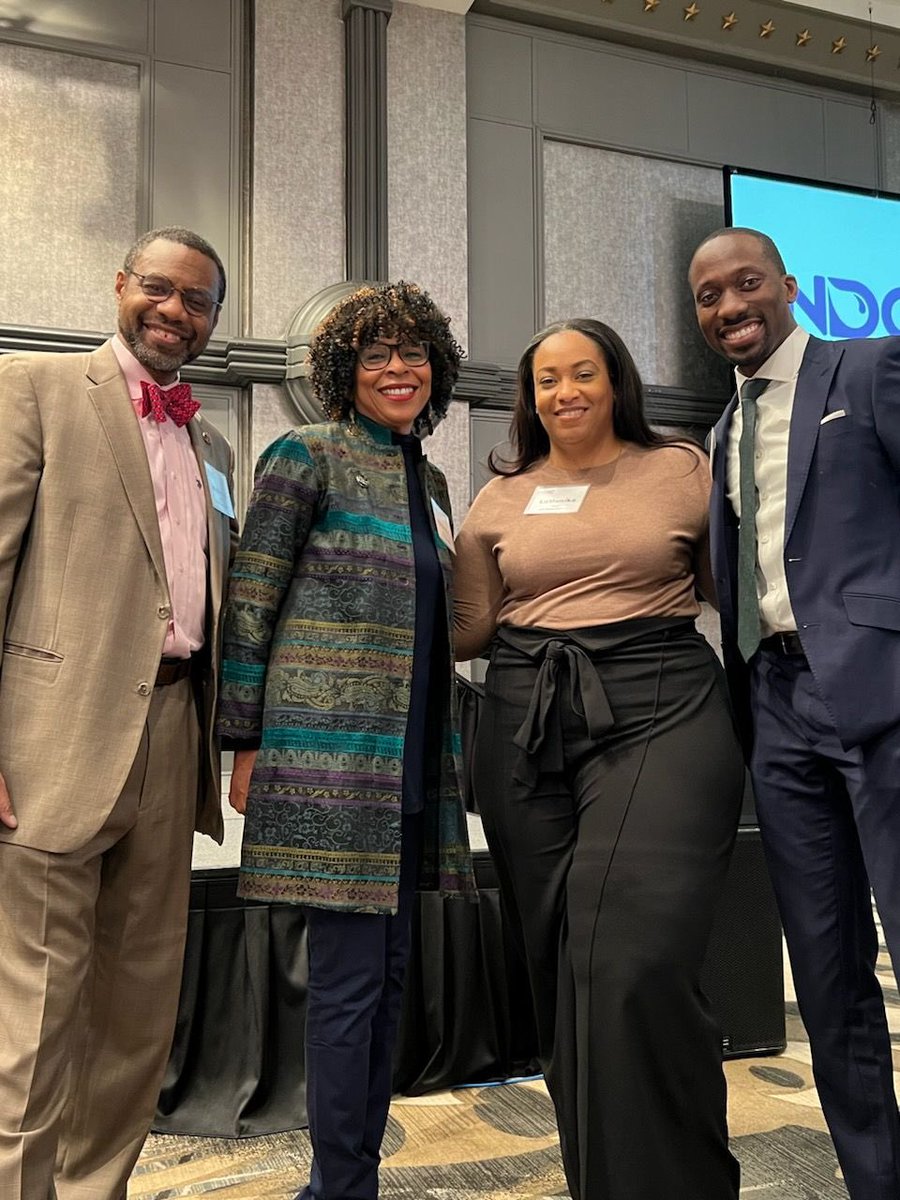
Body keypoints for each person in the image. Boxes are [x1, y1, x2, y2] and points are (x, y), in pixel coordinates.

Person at [453, 318, 744, 1200]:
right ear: (529, 397)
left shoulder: (682, 467)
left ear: (616, 381)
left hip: (661, 700)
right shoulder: (500, 496)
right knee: (559, 972)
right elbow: (468, 627)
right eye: (547, 380)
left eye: (583, 374)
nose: (565, 393)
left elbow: (732, 589)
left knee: (629, 959)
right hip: (525, 713)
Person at [217, 280, 475, 1200]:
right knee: (347, 991)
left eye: (413, 353)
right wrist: (243, 744)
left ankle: (349, 1177)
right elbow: (250, 604)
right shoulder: (307, 455)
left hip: (414, 775)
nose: (398, 368)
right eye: (376, 354)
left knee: (391, 986)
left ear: (437, 369)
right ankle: (339, 1187)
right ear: (344, 371)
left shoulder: (434, 482)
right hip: (329, 768)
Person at [0, 226, 236, 1199]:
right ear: (120, 285)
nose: (174, 310)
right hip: (50, 740)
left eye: (197, 300)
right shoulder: (37, 389)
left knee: (137, 1005)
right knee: (35, 1014)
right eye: (158, 288)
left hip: (173, 734)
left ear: (215, 321)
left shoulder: (212, 439)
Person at [689, 226, 900, 1200]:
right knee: (826, 976)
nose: (730, 307)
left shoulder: (869, 365)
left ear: (789, 285)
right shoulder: (722, 432)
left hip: (884, 693)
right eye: (709, 297)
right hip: (776, 710)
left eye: (745, 285)